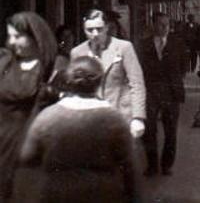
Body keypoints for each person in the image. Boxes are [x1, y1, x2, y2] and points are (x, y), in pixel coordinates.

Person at [19, 56, 139, 202]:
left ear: (68, 81)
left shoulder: (48, 117)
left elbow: (28, 157)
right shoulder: (114, 119)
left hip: (58, 194)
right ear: (99, 82)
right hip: (103, 194)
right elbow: (129, 167)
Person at [0, 12, 59, 200]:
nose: (12, 41)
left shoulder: (53, 67)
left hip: (32, 145)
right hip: (3, 141)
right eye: (9, 36)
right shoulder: (4, 63)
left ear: (35, 36)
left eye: (18, 36)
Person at [70, 9, 147, 140]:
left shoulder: (124, 48)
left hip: (120, 115)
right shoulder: (77, 52)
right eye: (90, 30)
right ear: (84, 30)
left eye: (99, 29)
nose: (95, 34)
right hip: (89, 118)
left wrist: (137, 117)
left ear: (107, 28)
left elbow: (136, 83)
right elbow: (74, 88)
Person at [137, 13, 188, 176]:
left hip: (171, 92)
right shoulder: (144, 45)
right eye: (161, 24)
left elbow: (183, 66)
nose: (165, 28)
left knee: (171, 130)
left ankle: (166, 164)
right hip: (151, 92)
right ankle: (152, 165)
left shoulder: (177, 43)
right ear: (153, 25)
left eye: (167, 24)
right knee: (149, 130)